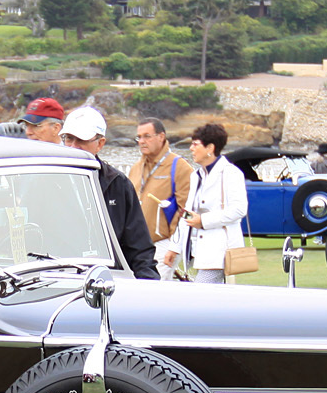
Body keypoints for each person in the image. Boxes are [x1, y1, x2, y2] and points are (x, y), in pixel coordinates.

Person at [60, 105, 157, 279]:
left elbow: (139, 246)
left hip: (109, 280)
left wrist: (149, 285)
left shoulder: (118, 184)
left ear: (100, 143)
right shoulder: (49, 180)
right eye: (68, 138)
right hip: (60, 278)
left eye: (81, 140)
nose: (73, 146)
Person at [162, 122, 248, 283]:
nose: (191, 148)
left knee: (200, 296)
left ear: (210, 148)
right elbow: (187, 214)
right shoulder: (196, 176)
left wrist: (203, 221)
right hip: (199, 252)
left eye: (195, 144)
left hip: (220, 252)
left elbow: (238, 210)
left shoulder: (231, 173)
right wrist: (174, 248)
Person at [128, 117, 192, 277]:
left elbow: (187, 210)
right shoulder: (135, 168)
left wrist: (173, 246)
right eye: (139, 137)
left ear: (161, 137)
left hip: (163, 241)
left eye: (147, 136)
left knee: (156, 289)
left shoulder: (180, 167)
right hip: (137, 245)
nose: (142, 141)